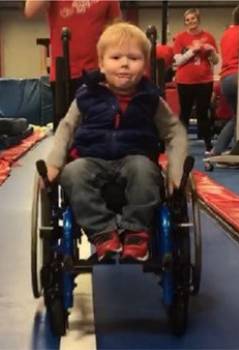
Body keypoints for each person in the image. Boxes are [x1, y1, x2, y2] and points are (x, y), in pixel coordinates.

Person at [43, 22, 188, 262]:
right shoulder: (86, 96)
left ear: (145, 65)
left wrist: (176, 169)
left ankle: (136, 233)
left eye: (134, 58)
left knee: (144, 170)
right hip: (91, 159)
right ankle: (102, 233)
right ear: (101, 63)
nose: (124, 63)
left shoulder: (151, 99)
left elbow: (175, 132)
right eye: (116, 57)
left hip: (135, 158)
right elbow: (66, 129)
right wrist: (55, 163)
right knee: (73, 173)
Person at [24, 0, 121, 129]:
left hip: (99, 73)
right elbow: (30, 10)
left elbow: (117, 29)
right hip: (63, 74)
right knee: (65, 132)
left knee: (100, 129)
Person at [172, 8, 218, 152]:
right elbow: (178, 61)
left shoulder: (209, 37)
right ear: (185, 22)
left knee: (203, 113)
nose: (190, 21)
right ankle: (180, 145)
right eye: (187, 19)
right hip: (185, 81)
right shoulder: (180, 38)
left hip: (204, 80)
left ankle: (208, 144)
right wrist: (193, 51)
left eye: (193, 18)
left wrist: (212, 52)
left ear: (198, 19)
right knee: (184, 113)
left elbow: (216, 61)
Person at [207, 5, 239, 163]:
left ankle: (218, 149)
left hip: (225, 78)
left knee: (237, 117)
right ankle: (238, 151)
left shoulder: (226, 34)